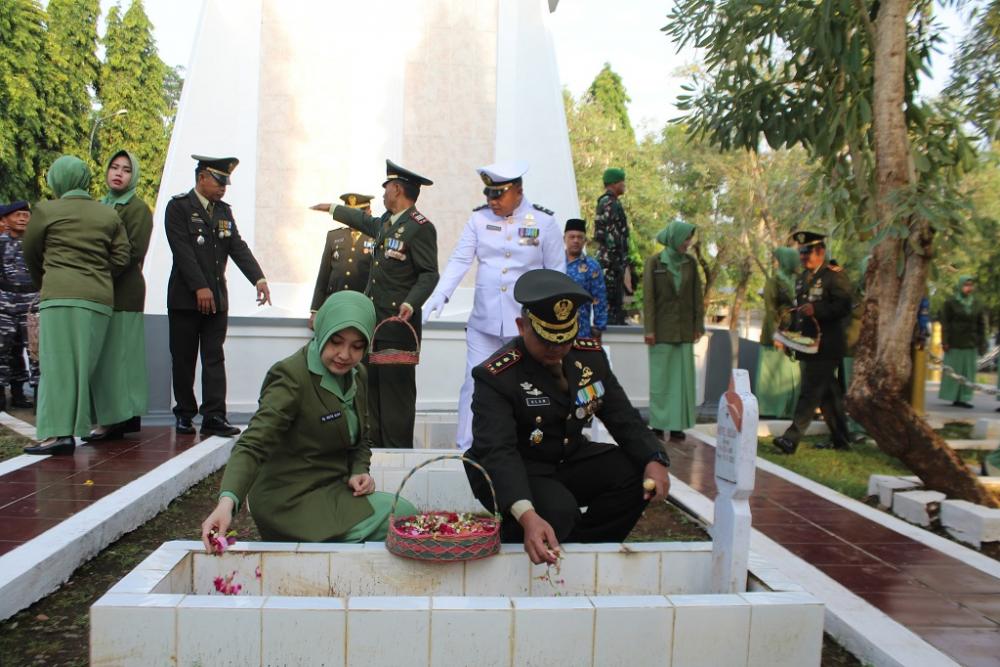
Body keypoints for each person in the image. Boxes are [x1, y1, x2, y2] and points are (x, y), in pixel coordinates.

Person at [465, 269, 670, 564]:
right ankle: (522, 531)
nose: (557, 349)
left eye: (565, 339)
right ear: (522, 326)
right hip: (515, 467)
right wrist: (528, 515)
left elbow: (622, 416)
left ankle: (583, 552)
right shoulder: (497, 375)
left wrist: (655, 459)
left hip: (565, 457)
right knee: (559, 511)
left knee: (634, 474)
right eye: (547, 340)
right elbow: (498, 452)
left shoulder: (589, 358)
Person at [200, 291, 417, 544]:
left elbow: (361, 439)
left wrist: (359, 471)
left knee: (404, 515)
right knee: (401, 517)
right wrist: (227, 502)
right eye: (336, 342)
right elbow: (253, 444)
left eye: (357, 346)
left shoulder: (357, 375)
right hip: (289, 500)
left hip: (332, 490)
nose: (345, 355)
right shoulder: (291, 376)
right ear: (321, 330)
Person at [422, 161, 565, 450]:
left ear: (518, 191)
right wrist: (438, 297)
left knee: (526, 387)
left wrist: (552, 324)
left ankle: (525, 447)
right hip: (484, 322)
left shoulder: (543, 222)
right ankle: (467, 448)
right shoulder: (478, 220)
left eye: (499, 194)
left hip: (525, 327)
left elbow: (557, 274)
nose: (492, 201)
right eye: (489, 194)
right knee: (474, 383)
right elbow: (460, 260)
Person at [310, 159, 439, 448]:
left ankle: (397, 450)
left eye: (386, 188)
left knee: (396, 393)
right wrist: (333, 209)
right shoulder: (385, 223)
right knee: (371, 388)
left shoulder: (420, 228)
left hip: (398, 325)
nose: (382, 195)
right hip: (375, 324)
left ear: (396, 189)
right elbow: (363, 221)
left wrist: (411, 302)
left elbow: (429, 274)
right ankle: (375, 448)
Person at [22, 156, 130, 455]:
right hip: (98, 299)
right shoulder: (108, 214)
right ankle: (81, 426)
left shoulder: (46, 210)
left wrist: (45, 280)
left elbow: (30, 251)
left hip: (59, 296)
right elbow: (122, 257)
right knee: (86, 366)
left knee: (57, 366)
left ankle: (59, 435)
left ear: (58, 179)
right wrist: (97, 274)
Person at [166, 155, 271, 437]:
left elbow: (237, 247)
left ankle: (214, 415)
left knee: (214, 357)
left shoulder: (223, 212)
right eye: (219, 180)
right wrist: (199, 287)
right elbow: (183, 252)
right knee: (184, 359)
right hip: (185, 299)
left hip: (216, 300)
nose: (224, 187)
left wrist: (258, 279)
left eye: (226, 182)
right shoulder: (178, 207)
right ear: (201, 178)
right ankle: (185, 414)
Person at [85, 150, 154, 442]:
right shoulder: (98, 205)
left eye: (126, 170)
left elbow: (133, 253)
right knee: (102, 358)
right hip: (99, 291)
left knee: (119, 358)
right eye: (114, 167)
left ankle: (116, 419)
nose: (118, 173)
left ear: (133, 175)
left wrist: (94, 273)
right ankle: (108, 417)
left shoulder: (137, 209)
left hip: (123, 292)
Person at [773, 231, 853, 455]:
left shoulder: (834, 276)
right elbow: (799, 313)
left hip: (827, 345)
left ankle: (791, 438)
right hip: (809, 344)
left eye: (808, 252)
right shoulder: (802, 278)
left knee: (810, 391)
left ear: (821, 252)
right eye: (801, 253)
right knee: (828, 394)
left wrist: (818, 309)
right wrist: (789, 336)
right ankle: (841, 439)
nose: (803, 257)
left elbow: (844, 306)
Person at [643, 221, 704, 441]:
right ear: (674, 238)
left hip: (685, 330)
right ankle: (659, 425)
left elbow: (697, 296)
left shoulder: (690, 263)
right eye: (685, 239)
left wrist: (699, 326)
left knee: (682, 382)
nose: (688, 243)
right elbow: (648, 299)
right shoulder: (654, 262)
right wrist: (649, 329)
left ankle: (678, 426)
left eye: (689, 239)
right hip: (660, 331)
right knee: (661, 381)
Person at [309, 193, 375, 329]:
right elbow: (324, 275)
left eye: (357, 213)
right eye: (349, 213)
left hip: (361, 305)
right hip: (335, 303)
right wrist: (315, 310)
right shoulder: (334, 236)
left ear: (368, 212)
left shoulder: (376, 237)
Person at [0, 200, 39, 411]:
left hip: (32, 302)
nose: (23, 218)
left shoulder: (36, 242)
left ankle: (36, 395)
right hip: (5, 302)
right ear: (5, 219)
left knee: (36, 351)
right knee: (3, 349)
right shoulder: (1, 242)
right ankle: (6, 394)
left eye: (26, 214)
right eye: (17, 214)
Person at [756, 247, 801, 418]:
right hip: (775, 337)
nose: (799, 262)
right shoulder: (773, 282)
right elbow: (770, 310)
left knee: (791, 373)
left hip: (794, 334)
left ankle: (788, 410)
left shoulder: (797, 281)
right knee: (773, 374)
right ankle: (770, 409)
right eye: (795, 259)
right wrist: (776, 335)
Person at [937, 275, 986, 409]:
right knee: (954, 371)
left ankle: (964, 398)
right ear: (960, 286)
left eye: (971, 285)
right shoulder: (951, 302)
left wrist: (982, 343)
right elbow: (945, 323)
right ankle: (953, 396)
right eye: (966, 285)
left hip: (970, 343)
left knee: (968, 372)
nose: (969, 288)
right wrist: (945, 341)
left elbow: (981, 324)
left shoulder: (977, 304)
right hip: (955, 343)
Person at [594, 168, 633, 325]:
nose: (624, 185)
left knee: (616, 298)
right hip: (610, 261)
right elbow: (612, 235)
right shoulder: (610, 203)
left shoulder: (608, 202)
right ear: (614, 183)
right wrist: (618, 262)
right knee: (611, 298)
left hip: (611, 259)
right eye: (621, 182)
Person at [564, 218, 608, 341]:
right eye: (571, 237)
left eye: (579, 237)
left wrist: (599, 327)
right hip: (555, 330)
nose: (575, 240)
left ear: (585, 241)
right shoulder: (555, 262)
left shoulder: (592, 266)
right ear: (564, 239)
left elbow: (599, 298)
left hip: (582, 331)